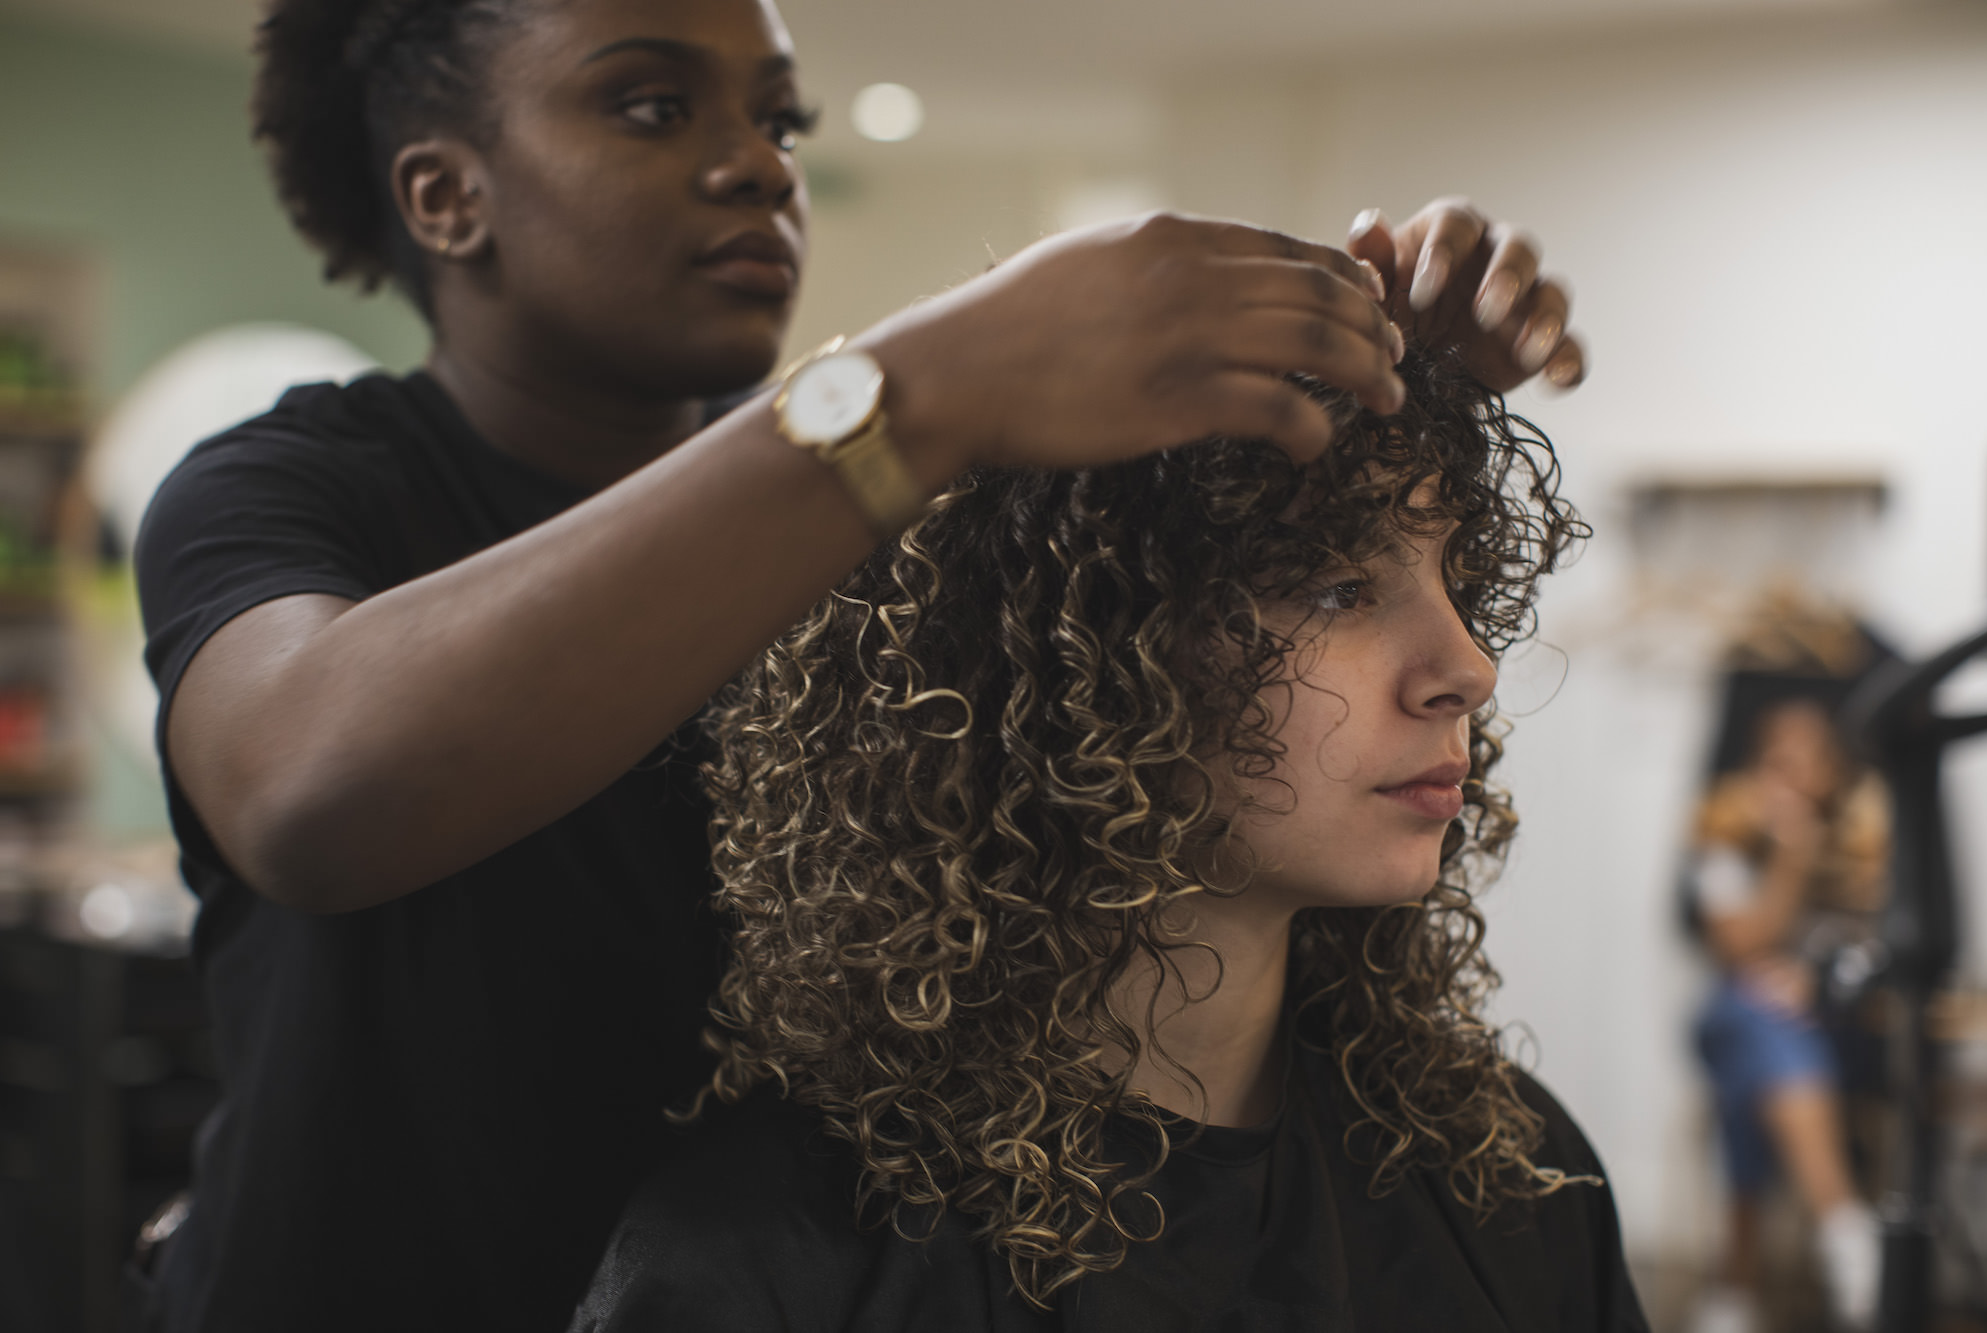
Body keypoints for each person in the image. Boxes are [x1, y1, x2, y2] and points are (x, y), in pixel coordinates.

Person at [132, 0, 1591, 1328]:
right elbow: (308, 790)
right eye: (652, 106)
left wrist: (1366, 374)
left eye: (780, 121)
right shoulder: (298, 486)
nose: (760, 167)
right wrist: (927, 383)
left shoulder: (881, 508)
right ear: (446, 193)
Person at [572, 343, 1646, 1331]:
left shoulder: (1510, 1179)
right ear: (1074, 663)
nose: (1467, 668)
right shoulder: (770, 1256)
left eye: (1453, 583)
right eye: (1337, 587)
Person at [1686, 698, 1887, 1333]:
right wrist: (1790, 859)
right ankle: (1846, 1228)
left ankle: (1734, 1288)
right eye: (1774, 763)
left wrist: (1814, 984)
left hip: (1828, 1032)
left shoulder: (1867, 847)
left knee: (1751, 1072)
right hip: (1733, 1014)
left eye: (1803, 763)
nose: (1787, 778)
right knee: (1753, 1008)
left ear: (1833, 772)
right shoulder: (1724, 842)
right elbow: (1738, 949)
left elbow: (1878, 961)